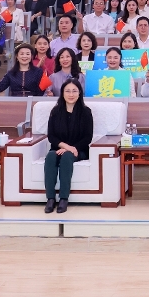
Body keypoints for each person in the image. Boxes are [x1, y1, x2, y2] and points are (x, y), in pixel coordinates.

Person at [43, 80, 94, 214]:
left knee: (66, 157)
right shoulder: (55, 111)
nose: (71, 94)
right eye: (68, 91)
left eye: (74, 91)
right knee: (50, 156)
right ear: (62, 93)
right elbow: (51, 136)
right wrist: (66, 147)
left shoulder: (86, 112)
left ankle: (64, 198)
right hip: (58, 148)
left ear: (79, 93)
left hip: (79, 150)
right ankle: (50, 198)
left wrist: (71, 149)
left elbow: (87, 137)